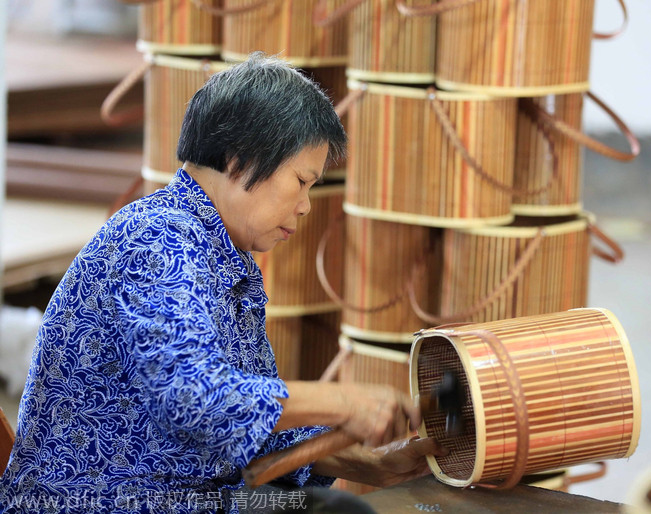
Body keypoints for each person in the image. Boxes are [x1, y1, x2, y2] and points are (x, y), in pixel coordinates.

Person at [0, 53, 446, 513]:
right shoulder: (158, 241)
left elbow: (237, 422)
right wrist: (343, 401)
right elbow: (194, 398)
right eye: (300, 181)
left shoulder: (221, 253)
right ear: (239, 161)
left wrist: (363, 463)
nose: (306, 206)